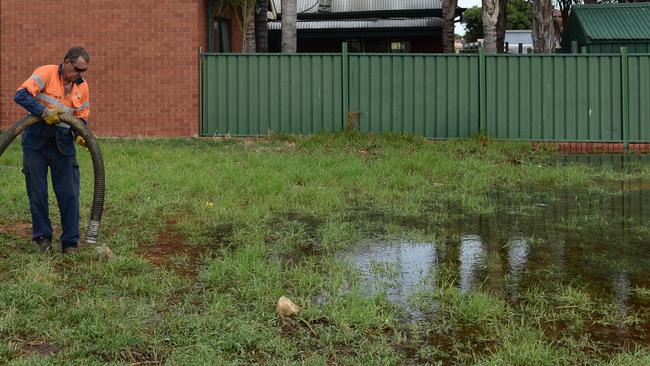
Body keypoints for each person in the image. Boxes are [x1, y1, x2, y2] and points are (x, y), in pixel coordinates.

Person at [13, 47, 91, 254]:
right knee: (37, 192)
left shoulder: (82, 87)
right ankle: (43, 239)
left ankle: (70, 243)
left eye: (83, 71)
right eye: (77, 69)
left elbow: (81, 117)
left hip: (63, 145)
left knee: (69, 194)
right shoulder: (45, 73)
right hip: (36, 141)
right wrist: (43, 111)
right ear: (66, 62)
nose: (79, 75)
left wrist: (81, 133)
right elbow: (20, 95)